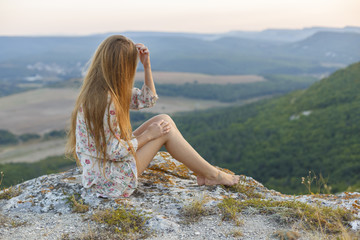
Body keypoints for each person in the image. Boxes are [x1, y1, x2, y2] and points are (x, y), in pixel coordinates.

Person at [66, 35, 239, 198]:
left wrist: (146, 66)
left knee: (163, 120)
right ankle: (211, 175)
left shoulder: (102, 91)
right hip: (111, 180)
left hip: (103, 171)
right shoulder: (108, 101)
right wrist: (149, 135)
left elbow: (147, 100)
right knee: (164, 131)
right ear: (122, 67)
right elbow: (114, 151)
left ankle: (206, 173)